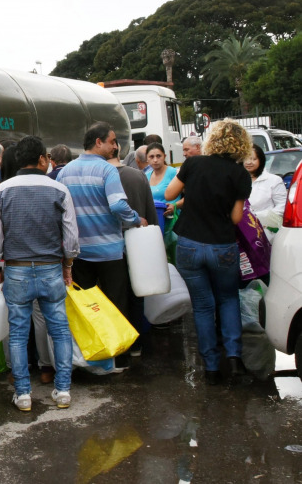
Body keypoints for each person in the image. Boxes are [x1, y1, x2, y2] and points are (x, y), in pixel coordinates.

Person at [0, 136, 79, 412]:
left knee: (17, 332)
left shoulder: (2, 191)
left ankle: (24, 394)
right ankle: (63, 390)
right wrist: (68, 266)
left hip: (16, 269)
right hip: (51, 268)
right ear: (41, 159)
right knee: (60, 330)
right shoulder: (59, 190)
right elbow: (72, 239)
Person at [164, 119, 253, 386]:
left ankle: (211, 368)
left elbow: (170, 194)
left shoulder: (193, 164)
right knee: (228, 299)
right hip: (222, 246)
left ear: (212, 140)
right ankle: (235, 357)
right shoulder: (240, 174)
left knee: (202, 307)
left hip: (190, 244)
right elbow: (237, 218)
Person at [57, 122, 145, 323]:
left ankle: (94, 351)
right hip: (109, 253)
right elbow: (118, 206)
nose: (115, 147)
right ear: (98, 142)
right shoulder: (107, 170)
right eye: (112, 142)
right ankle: (118, 352)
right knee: (115, 306)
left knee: (88, 308)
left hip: (79, 253)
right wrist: (137, 219)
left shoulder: (65, 172)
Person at [110, 140, 158, 358]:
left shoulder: (99, 176)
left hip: (109, 246)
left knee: (114, 294)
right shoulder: (137, 175)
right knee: (136, 292)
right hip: (138, 241)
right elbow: (150, 210)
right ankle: (137, 342)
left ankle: (120, 344)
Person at [244, 144, 287, 233]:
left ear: (261, 160)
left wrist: (262, 218)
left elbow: (282, 206)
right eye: (246, 159)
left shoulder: (274, 180)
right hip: (243, 230)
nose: (249, 162)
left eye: (253, 159)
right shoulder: (236, 180)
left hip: (267, 230)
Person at [146, 143, 180, 216]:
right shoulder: (145, 176)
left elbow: (190, 196)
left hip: (174, 220)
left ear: (164, 156)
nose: (155, 160)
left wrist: (175, 205)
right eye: (151, 157)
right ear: (147, 159)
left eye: (158, 156)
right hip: (156, 219)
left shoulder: (175, 173)